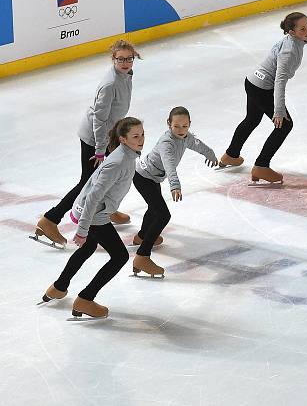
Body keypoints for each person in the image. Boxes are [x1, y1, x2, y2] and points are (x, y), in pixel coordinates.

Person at [33, 41, 138, 248]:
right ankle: (50, 220)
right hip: (95, 136)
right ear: (113, 59)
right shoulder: (109, 85)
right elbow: (98, 120)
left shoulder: (127, 74)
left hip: (111, 135)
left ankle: (107, 210)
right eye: (121, 59)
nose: (125, 63)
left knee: (114, 173)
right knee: (87, 181)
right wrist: (100, 150)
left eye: (129, 58)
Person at [41, 118, 143, 319]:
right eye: (135, 136)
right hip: (93, 214)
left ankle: (59, 287)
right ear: (123, 139)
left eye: (142, 134)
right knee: (120, 256)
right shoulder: (119, 161)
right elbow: (93, 197)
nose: (141, 140)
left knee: (88, 248)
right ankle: (85, 299)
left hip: (92, 211)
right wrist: (82, 230)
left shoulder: (125, 156)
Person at [219, 12, 307, 184]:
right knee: (285, 125)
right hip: (262, 88)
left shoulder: (293, 41)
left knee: (252, 119)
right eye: (302, 29)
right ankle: (261, 166)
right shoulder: (289, 51)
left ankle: (231, 155)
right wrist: (278, 110)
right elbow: (280, 81)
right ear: (291, 32)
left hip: (252, 81)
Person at [132, 107, 218, 278]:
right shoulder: (167, 143)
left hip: (153, 178)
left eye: (185, 126)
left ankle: (142, 236)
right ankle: (142, 256)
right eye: (176, 126)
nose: (181, 130)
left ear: (189, 125)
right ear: (169, 124)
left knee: (154, 208)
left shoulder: (185, 137)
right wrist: (175, 185)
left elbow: (198, 145)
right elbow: (169, 164)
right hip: (142, 177)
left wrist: (211, 154)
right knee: (163, 215)